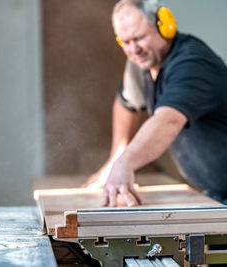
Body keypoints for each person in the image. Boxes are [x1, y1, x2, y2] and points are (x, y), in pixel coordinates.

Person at [83, 0, 227, 207]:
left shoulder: (193, 63)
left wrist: (126, 163)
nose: (134, 49)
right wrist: (115, 159)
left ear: (164, 26)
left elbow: (168, 120)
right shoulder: (142, 63)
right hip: (215, 193)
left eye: (139, 38)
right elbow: (126, 104)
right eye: (125, 42)